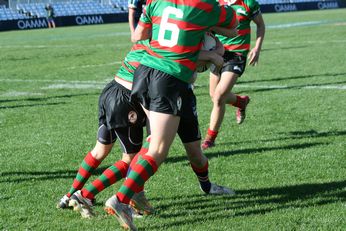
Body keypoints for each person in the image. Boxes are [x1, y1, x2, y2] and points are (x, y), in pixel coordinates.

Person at [103, 1, 239, 229]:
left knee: (153, 143)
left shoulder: (156, 1)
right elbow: (233, 29)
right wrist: (207, 42)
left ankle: (133, 194)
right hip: (169, 78)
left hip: (144, 71)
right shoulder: (205, 5)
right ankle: (121, 200)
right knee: (158, 150)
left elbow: (139, 35)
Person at [56, 40, 149, 217]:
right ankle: (85, 195)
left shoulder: (143, 40)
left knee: (100, 151)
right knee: (131, 160)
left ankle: (68, 195)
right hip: (125, 100)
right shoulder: (162, 47)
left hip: (110, 91)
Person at [201, 0, 265, 150]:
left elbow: (260, 25)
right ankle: (240, 102)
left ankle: (210, 139)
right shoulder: (216, 3)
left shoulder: (248, 3)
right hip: (218, 52)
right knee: (214, 95)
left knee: (218, 97)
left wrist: (257, 48)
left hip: (237, 54)